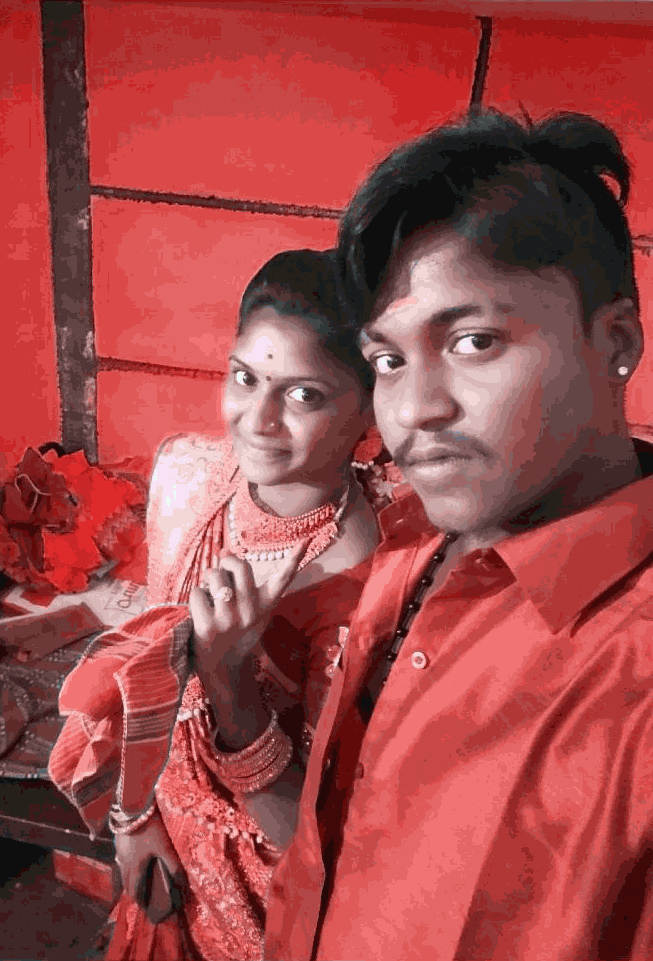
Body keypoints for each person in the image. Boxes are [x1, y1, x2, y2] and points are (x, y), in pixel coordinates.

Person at [262, 112, 653, 961]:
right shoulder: (413, 534)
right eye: (389, 360)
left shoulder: (635, 686)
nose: (413, 410)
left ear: (615, 340)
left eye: (474, 341)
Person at [48, 249, 403, 960]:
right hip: (167, 840)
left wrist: (230, 680)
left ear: (369, 408)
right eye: (245, 378)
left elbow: (313, 840)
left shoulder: (364, 590)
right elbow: (152, 685)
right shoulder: (193, 476)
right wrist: (134, 817)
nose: (258, 420)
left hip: (267, 905)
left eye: (303, 395)